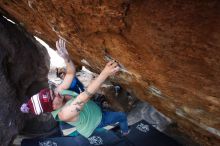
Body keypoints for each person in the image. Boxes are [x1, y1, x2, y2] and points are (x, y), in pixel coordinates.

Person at [20, 38, 129, 137]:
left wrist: (66, 58)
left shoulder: (58, 93)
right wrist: (105, 73)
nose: (57, 93)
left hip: (92, 110)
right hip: (96, 122)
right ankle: (125, 132)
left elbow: (70, 74)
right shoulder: (64, 114)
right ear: (52, 108)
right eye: (54, 97)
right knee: (121, 116)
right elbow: (85, 96)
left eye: (52, 92)